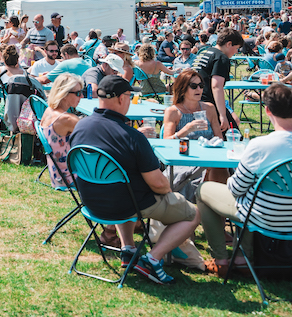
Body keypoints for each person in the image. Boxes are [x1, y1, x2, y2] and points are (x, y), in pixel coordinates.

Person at [69, 75, 201, 285]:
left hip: (91, 203)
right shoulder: (132, 137)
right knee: (194, 214)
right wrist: (169, 193)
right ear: (122, 98)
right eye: (129, 96)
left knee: (122, 188)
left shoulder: (80, 127)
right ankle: (152, 259)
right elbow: (159, 184)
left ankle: (128, 249)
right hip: (128, 204)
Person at [197, 83, 292, 276]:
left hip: (264, 217)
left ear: (267, 110)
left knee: (203, 190)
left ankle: (221, 260)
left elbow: (235, 189)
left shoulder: (260, 145)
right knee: (250, 195)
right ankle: (242, 257)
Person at [193, 29, 243, 134]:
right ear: (229, 44)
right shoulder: (221, 57)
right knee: (232, 135)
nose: (236, 52)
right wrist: (222, 115)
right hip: (208, 103)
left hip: (193, 101)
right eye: (236, 48)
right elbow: (216, 86)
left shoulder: (205, 52)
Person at [39, 73, 84, 189]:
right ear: (64, 94)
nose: (82, 96)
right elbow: (93, 136)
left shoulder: (49, 111)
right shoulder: (67, 119)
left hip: (58, 177)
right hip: (71, 178)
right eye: (78, 93)